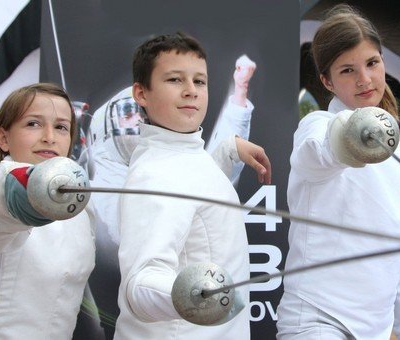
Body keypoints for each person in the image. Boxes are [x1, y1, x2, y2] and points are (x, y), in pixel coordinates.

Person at [78, 55, 263, 337]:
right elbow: (141, 280)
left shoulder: (165, 167)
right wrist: (191, 293)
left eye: (199, 81)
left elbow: (191, 198)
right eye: (126, 114)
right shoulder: (140, 179)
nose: (134, 121)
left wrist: (227, 149)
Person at [277, 5, 400, 339]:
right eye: (347, 70)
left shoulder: (397, 148)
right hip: (317, 318)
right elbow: (315, 155)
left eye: (372, 63)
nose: (365, 79)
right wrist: (350, 141)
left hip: (375, 326)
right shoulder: (317, 126)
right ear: (327, 80)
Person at [0, 83, 96, 339]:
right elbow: (12, 191)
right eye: (33, 124)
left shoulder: (80, 203)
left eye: (61, 127)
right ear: (4, 138)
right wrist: (37, 186)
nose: (49, 136)